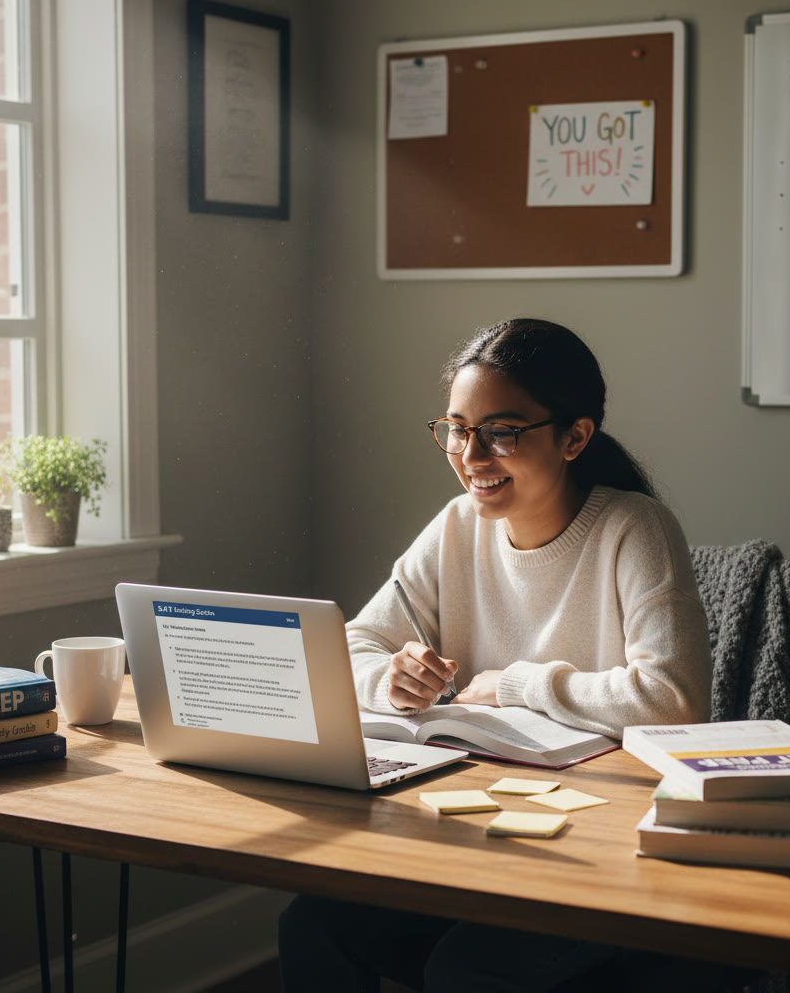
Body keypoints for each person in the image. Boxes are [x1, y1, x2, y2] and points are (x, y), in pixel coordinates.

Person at [279, 318, 713, 993]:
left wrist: (514, 684)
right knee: (312, 927)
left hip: (596, 844)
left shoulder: (634, 528)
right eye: (456, 428)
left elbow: (674, 698)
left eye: (502, 432)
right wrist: (388, 679)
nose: (471, 455)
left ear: (575, 437)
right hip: (476, 828)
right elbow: (354, 642)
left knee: (466, 970)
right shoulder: (456, 526)